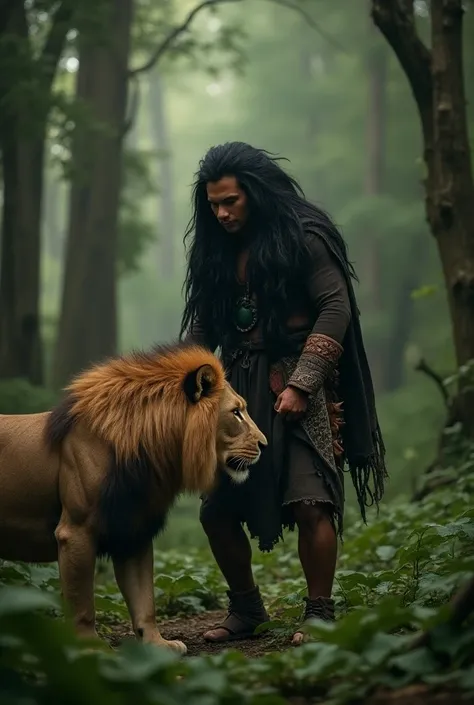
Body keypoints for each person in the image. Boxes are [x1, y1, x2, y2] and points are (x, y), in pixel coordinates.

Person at [180, 141, 387, 645]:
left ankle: (319, 616)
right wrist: (183, 382)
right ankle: (247, 611)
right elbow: (204, 324)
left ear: (253, 191)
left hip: (301, 382)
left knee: (312, 502)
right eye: (214, 204)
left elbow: (334, 307)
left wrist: (302, 383)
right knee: (218, 512)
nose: (222, 212)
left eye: (231, 201)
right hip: (238, 390)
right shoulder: (215, 247)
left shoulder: (304, 234)